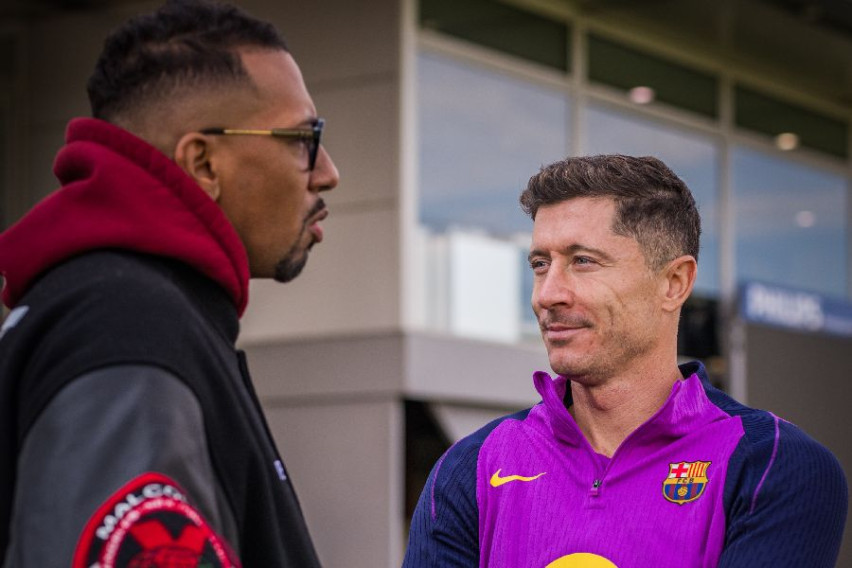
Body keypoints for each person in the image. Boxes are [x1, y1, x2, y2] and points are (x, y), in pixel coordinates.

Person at [0, 0, 339, 565]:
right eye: (305, 138)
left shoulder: (109, 310)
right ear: (203, 163)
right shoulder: (126, 331)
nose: (328, 172)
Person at [403, 155, 847, 567]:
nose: (547, 294)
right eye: (540, 264)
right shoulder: (471, 467)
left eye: (583, 261)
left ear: (674, 282)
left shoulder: (772, 464)